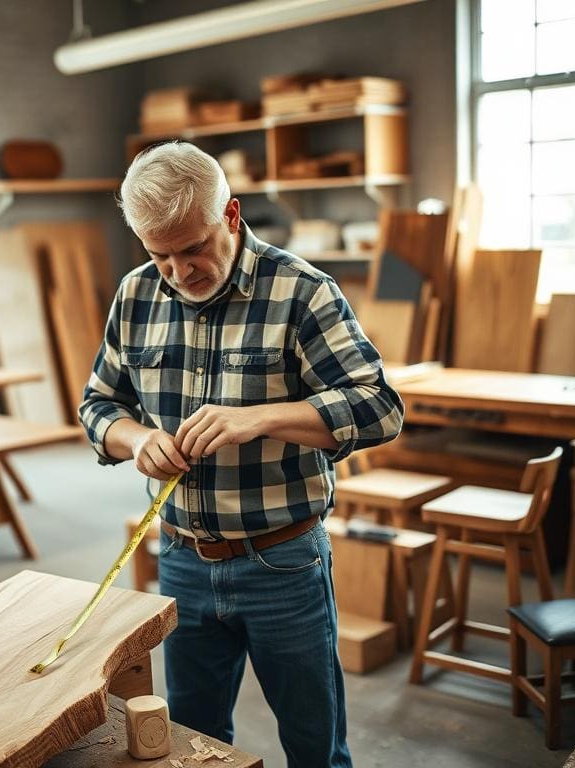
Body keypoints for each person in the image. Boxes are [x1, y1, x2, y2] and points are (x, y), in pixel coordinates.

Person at [78, 141, 404, 768]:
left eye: (193, 247)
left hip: (281, 561)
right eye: (159, 253)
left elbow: (379, 408)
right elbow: (97, 407)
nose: (178, 271)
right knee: (193, 744)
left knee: (315, 744)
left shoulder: (301, 292)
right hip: (181, 558)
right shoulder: (137, 294)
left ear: (230, 215)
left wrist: (260, 419)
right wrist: (137, 439)